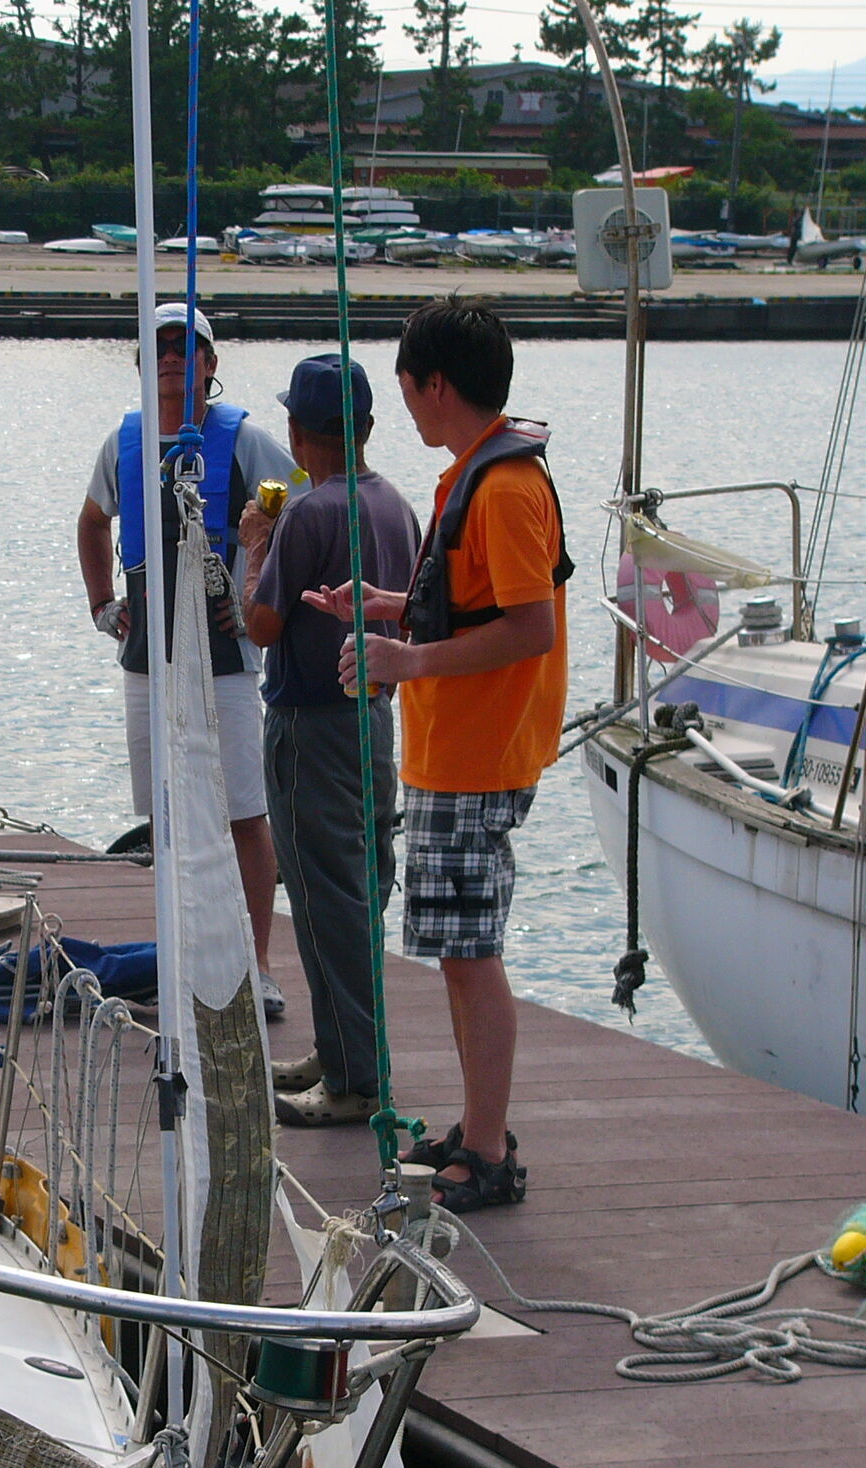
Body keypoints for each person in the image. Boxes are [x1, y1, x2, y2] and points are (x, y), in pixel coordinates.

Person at [303, 297, 570, 1211]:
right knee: (457, 949)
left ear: (437, 386)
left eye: (408, 387)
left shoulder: (505, 487)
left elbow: (530, 628)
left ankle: (488, 1148)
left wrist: (408, 659)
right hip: (453, 754)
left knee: (470, 952)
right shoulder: (474, 475)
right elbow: (475, 603)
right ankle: (475, 1124)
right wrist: (387, 606)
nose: (406, 407)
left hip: (477, 759)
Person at [75, 302, 303, 1021]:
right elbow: (92, 521)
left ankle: (257, 964)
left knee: (243, 811)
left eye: (185, 346)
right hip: (148, 659)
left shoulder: (246, 442)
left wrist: (260, 591)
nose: (171, 357)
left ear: (209, 363)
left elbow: (302, 510)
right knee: (166, 816)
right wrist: (102, 603)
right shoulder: (123, 442)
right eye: (159, 347)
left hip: (225, 657)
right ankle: (184, 957)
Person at [239, 355, 420, 1128]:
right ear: (367, 426)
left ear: (295, 432)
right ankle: (342, 1049)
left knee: (323, 900)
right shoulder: (395, 506)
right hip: (372, 720)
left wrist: (256, 545)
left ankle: (354, 1080)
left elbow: (261, 624)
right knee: (361, 890)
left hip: (310, 726)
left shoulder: (310, 513)